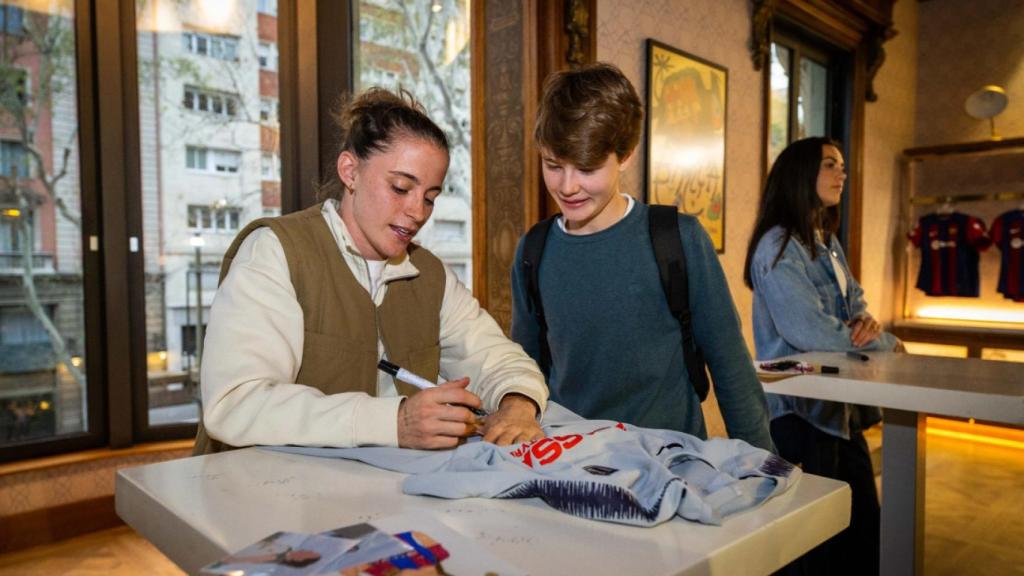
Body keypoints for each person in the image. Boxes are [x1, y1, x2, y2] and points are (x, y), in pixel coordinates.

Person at [194, 87, 548, 454]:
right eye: (400, 187)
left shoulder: (431, 274)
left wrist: (517, 402)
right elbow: (236, 403)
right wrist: (395, 422)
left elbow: (497, 358)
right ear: (350, 171)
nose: (418, 212)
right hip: (259, 494)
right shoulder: (276, 251)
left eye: (430, 197)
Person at [509, 62, 774, 452]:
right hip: (571, 461)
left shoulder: (678, 239)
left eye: (587, 168)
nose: (567, 186)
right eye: (553, 165)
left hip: (673, 461)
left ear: (626, 155)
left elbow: (730, 365)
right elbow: (525, 370)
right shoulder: (534, 250)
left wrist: (763, 464)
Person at [743, 136, 900, 575]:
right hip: (800, 413)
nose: (842, 175)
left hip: (839, 408)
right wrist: (883, 342)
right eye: (831, 165)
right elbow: (808, 330)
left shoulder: (826, 241)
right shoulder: (777, 246)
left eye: (843, 166)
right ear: (800, 174)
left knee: (863, 528)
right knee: (816, 543)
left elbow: (855, 309)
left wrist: (867, 325)